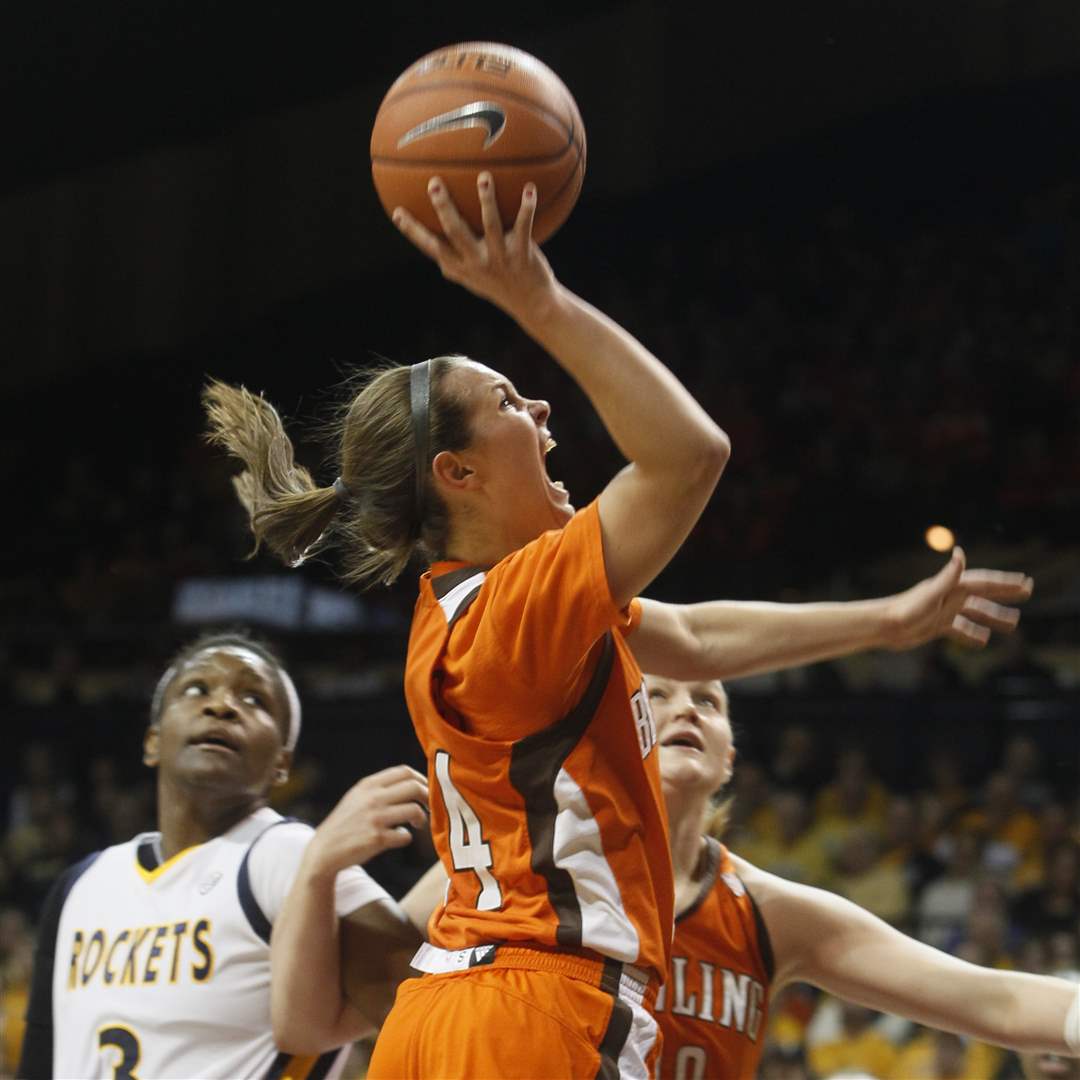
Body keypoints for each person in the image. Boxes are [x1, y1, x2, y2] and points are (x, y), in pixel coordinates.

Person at [205, 173, 1036, 1078]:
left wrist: (887, 622)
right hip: (542, 1011)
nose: (543, 409)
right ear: (459, 473)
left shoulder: (471, 608)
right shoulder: (521, 605)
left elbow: (692, 640)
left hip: (443, 1012)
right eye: (511, 404)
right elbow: (690, 455)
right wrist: (539, 299)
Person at [17, 630, 430, 1080]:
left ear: (282, 763)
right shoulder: (81, 883)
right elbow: (41, 1060)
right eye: (196, 689)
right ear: (152, 741)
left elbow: (425, 1017)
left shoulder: (288, 855)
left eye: (254, 700)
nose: (221, 705)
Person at [647, 673, 1080, 1079]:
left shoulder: (766, 911)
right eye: (658, 694)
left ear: (728, 758)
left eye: (707, 699)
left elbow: (983, 998)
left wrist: (1070, 1023)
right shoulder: (579, 875)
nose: (687, 709)